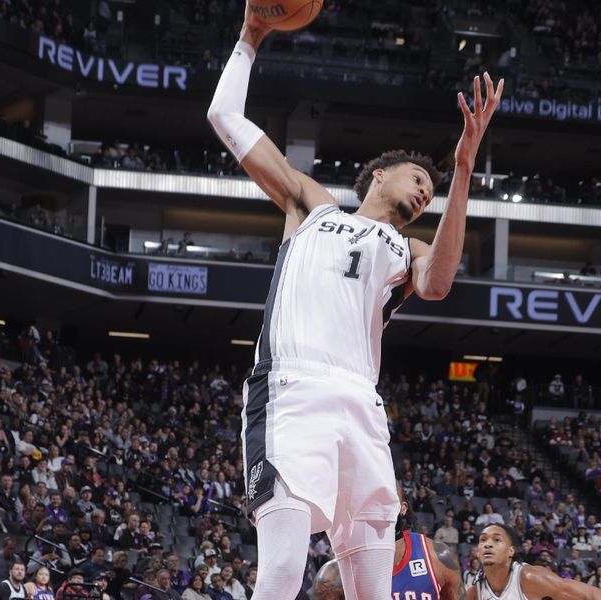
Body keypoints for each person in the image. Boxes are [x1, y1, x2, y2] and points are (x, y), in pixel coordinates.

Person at [207, 4, 502, 599]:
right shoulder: (311, 207)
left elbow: (439, 283)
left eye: (431, 187)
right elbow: (223, 115)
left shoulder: (410, 245)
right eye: (417, 178)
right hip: (294, 391)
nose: (425, 190)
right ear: (378, 176)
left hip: (362, 409)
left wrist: (464, 168)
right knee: (284, 572)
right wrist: (250, 37)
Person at [313, 483, 462, 599]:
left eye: (387, 497)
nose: (379, 504)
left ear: (403, 508)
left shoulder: (438, 556)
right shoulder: (333, 574)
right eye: (371, 497)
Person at [466, 524, 601, 599]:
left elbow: (597, 595)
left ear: (511, 551)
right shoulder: (474, 590)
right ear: (478, 552)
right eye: (483, 540)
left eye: (496, 540)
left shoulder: (530, 578)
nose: (487, 544)